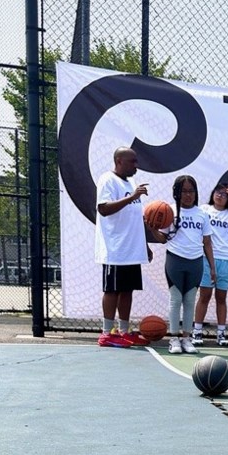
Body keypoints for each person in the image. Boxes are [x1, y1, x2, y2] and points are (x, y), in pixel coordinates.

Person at [94, 146, 152, 348]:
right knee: (112, 291)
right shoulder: (107, 180)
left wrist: (144, 245)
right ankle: (106, 333)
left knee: (127, 291)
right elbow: (104, 209)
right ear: (119, 161)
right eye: (132, 161)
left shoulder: (132, 182)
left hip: (132, 249)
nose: (136, 165)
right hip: (115, 249)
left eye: (136, 161)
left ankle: (123, 332)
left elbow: (135, 218)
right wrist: (132, 197)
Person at [152, 175, 216, 355]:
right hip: (175, 260)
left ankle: (187, 338)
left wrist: (212, 267)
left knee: (189, 301)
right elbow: (163, 239)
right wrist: (152, 229)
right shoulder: (168, 211)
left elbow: (207, 243)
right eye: (184, 191)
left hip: (196, 262)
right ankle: (174, 339)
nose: (188, 195)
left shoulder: (202, 214)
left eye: (191, 191)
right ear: (176, 193)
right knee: (175, 300)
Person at [192, 183, 228, 347]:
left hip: (226, 260)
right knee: (204, 296)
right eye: (218, 192)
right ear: (213, 194)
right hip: (206, 258)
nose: (220, 196)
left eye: (224, 194)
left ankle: (221, 334)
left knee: (221, 298)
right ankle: (197, 332)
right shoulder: (204, 209)